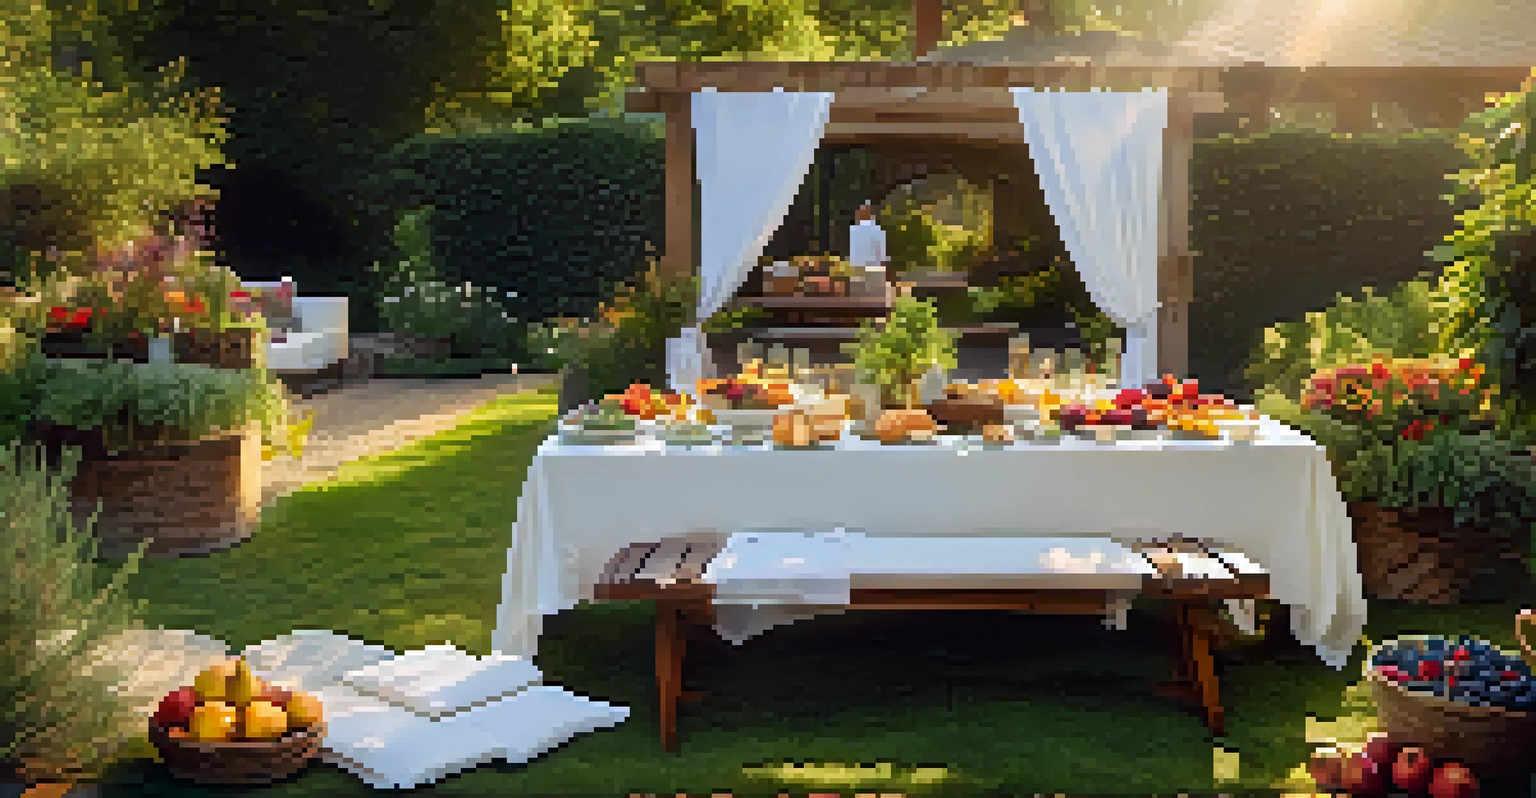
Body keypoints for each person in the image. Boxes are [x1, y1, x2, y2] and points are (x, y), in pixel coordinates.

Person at [847, 202, 889, 296]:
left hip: (857, 268)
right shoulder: (877, 230)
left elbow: (853, 252)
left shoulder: (853, 230)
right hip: (874, 267)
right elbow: (881, 252)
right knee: (876, 297)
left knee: (858, 297)